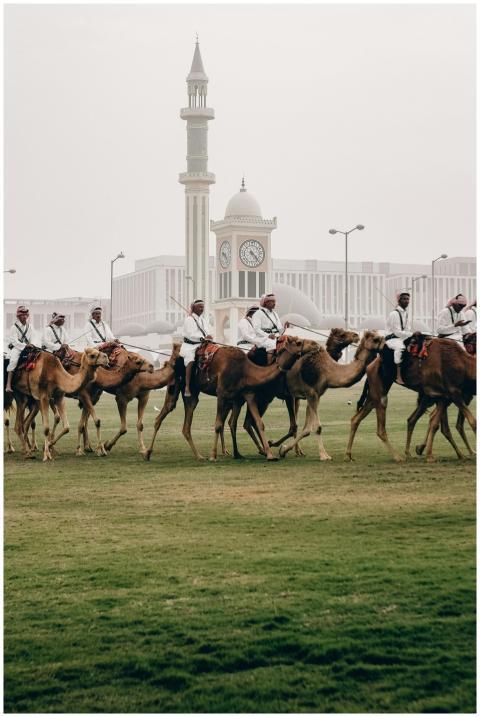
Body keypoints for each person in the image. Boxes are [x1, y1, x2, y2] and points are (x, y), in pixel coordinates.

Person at [180, 299, 213, 397]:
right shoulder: (189, 320)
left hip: (202, 344)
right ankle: (187, 386)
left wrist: (209, 336)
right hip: (190, 346)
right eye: (200, 307)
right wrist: (203, 338)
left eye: (203, 307)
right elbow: (190, 334)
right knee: (190, 360)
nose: (202, 309)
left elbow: (207, 331)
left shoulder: (203, 320)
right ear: (193, 308)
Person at [5, 305, 40, 393]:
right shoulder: (14, 327)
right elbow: (14, 341)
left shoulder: (30, 326)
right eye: (22, 315)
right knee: (13, 360)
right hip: (18, 348)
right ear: (18, 316)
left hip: (30, 348)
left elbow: (34, 337)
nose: (24, 316)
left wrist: (32, 344)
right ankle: (8, 385)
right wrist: (25, 345)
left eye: (26, 314)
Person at [385, 291, 412, 385]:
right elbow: (397, 332)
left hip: (402, 338)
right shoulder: (394, 314)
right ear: (399, 300)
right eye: (404, 299)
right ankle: (398, 376)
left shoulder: (407, 314)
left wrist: (411, 335)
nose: (406, 301)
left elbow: (407, 329)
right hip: (392, 339)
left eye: (408, 299)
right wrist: (411, 335)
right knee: (400, 348)